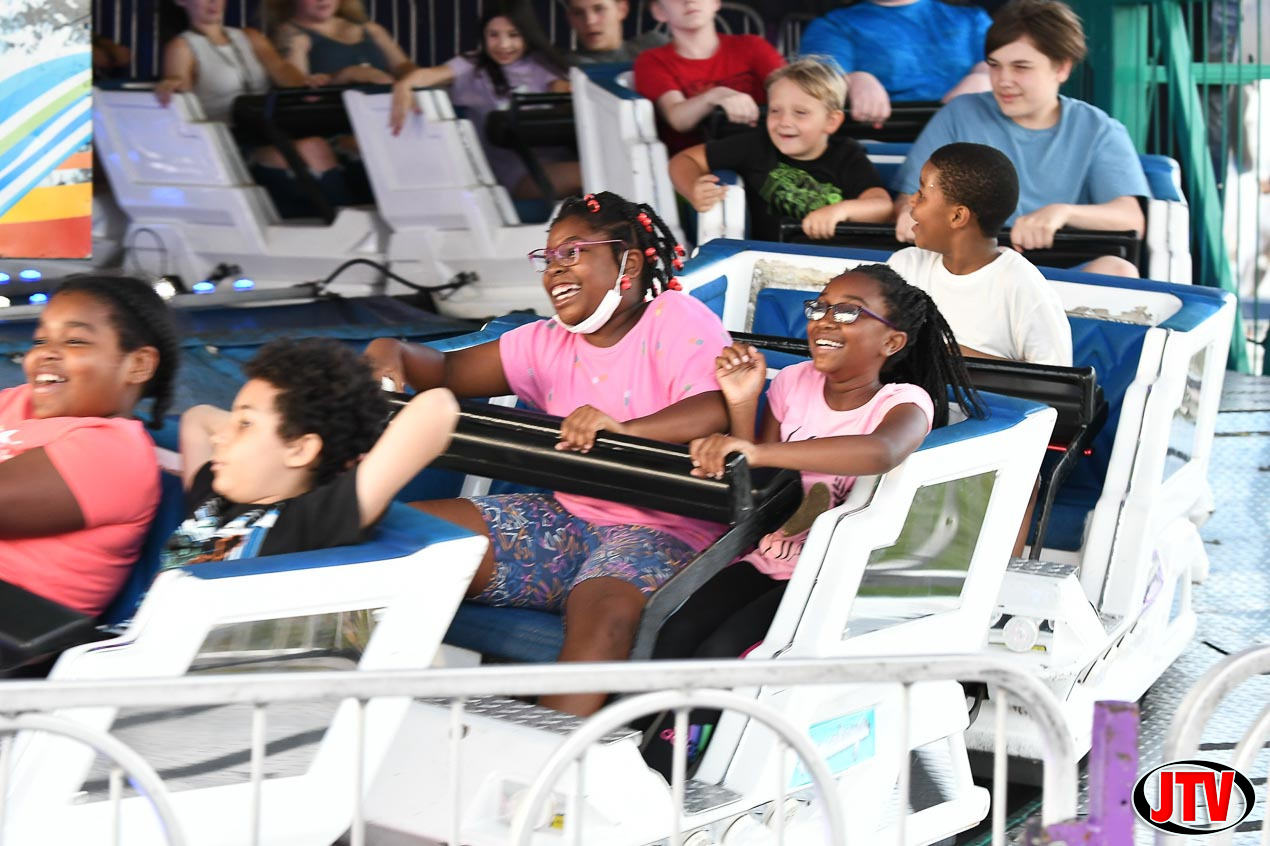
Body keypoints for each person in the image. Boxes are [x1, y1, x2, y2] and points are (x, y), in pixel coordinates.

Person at [364, 191, 732, 716]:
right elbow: (444, 372)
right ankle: (377, 719)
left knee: (602, 615)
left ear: (627, 261)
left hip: (665, 530)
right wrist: (389, 351)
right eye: (549, 257)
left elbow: (714, 406)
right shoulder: (544, 343)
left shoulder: (674, 317)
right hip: (566, 519)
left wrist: (624, 430)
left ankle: (547, 783)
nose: (555, 269)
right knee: (402, 541)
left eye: (573, 253)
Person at [644, 262, 984, 774]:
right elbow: (761, 480)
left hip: (833, 580)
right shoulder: (794, 385)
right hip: (770, 560)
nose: (825, 319)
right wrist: (744, 403)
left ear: (891, 343)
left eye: (847, 311)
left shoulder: (904, 403)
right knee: (674, 633)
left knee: (727, 651)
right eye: (819, 307)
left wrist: (758, 454)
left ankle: (686, 773)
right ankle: (652, 756)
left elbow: (880, 452)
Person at [891, 0, 1150, 277]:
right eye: (994, 66)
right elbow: (909, 200)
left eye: (1021, 67)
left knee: (1118, 270)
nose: (1003, 80)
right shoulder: (959, 114)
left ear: (1061, 68)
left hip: (1062, 276)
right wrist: (911, 213)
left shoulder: (1098, 128)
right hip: (971, 271)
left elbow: (1130, 216)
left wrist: (1061, 213)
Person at [164, 337, 457, 565]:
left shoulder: (308, 523)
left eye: (245, 423)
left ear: (300, 449)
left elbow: (437, 406)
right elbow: (197, 418)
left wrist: (356, 416)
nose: (221, 437)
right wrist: (242, 428)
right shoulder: (212, 495)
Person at [0, 275, 180, 616]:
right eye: (40, 340)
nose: (45, 354)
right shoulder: (18, 403)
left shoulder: (115, 451)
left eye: (75, 341)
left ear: (138, 364)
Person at [155, 0, 353, 217]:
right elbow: (180, 89)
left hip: (269, 130)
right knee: (308, 150)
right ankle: (333, 221)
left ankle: (342, 222)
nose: (213, 2)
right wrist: (172, 83)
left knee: (319, 146)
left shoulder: (250, 37)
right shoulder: (182, 46)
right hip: (228, 142)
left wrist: (308, 83)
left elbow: (283, 72)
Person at [669, 57, 892, 242]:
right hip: (766, 260)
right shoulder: (754, 145)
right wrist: (693, 190)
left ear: (831, 121)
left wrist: (840, 211)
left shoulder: (846, 155)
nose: (784, 121)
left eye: (800, 112)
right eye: (775, 110)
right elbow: (684, 160)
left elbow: (882, 206)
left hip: (835, 264)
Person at [887, 142, 1071, 365]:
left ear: (957, 217)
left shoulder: (1023, 286)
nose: (912, 201)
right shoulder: (904, 265)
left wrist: (945, 352)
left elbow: (1057, 384)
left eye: (922, 193)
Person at [389, 4, 580, 200]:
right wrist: (405, 85)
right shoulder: (471, 65)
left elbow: (562, 90)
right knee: (587, 175)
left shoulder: (544, 64)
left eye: (513, 35)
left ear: (527, 34)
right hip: (518, 173)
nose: (503, 45)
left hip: (562, 160)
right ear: (483, 35)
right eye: (494, 35)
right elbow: (428, 75)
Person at [799, 0, 994, 129]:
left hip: (972, 134)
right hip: (882, 142)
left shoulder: (973, 19)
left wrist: (985, 77)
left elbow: (1002, 60)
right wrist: (852, 80)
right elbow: (816, 83)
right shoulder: (833, 25)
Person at [633, 0, 786, 153]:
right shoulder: (652, 61)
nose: (689, 1)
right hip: (698, 164)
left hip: (766, 150)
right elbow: (676, 118)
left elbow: (795, 90)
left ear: (716, 2)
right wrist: (715, 96)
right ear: (659, 11)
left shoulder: (753, 46)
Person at [266, 0, 419, 85]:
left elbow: (403, 66)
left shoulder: (371, 29)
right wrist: (345, 75)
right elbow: (298, 91)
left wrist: (414, 77)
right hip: (338, 125)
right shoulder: (291, 34)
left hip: (388, 113)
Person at [565, 0, 669, 65]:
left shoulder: (655, 44)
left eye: (599, 9)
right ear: (569, 18)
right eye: (578, 13)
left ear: (622, 10)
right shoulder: (563, 67)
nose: (589, 21)